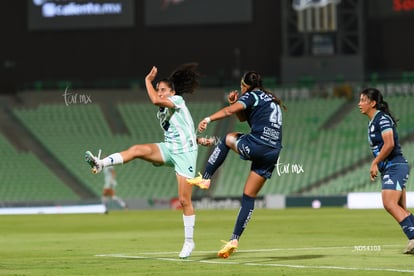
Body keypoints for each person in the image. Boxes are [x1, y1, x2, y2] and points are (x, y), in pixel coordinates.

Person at [85, 63, 201, 259]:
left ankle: (189, 242)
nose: (160, 93)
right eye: (158, 89)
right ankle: (101, 163)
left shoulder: (178, 100)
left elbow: (155, 100)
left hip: (185, 154)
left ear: (172, 91)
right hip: (169, 148)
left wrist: (147, 80)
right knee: (137, 149)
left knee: (184, 200)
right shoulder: (163, 111)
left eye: (163, 90)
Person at [187, 71, 287, 258]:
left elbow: (228, 113)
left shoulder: (252, 95)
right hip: (273, 151)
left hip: (259, 144)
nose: (240, 89)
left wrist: (208, 119)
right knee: (249, 196)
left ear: (246, 86)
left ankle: (206, 178)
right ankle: (234, 239)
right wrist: (235, 102)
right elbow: (242, 117)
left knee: (226, 138)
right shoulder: (269, 97)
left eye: (241, 86)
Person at [358, 88, 414, 254]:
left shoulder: (381, 119)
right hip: (390, 167)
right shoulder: (373, 121)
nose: (359, 104)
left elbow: (389, 144)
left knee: (389, 204)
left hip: (394, 165)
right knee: (400, 207)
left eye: (363, 100)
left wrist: (375, 162)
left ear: (373, 103)